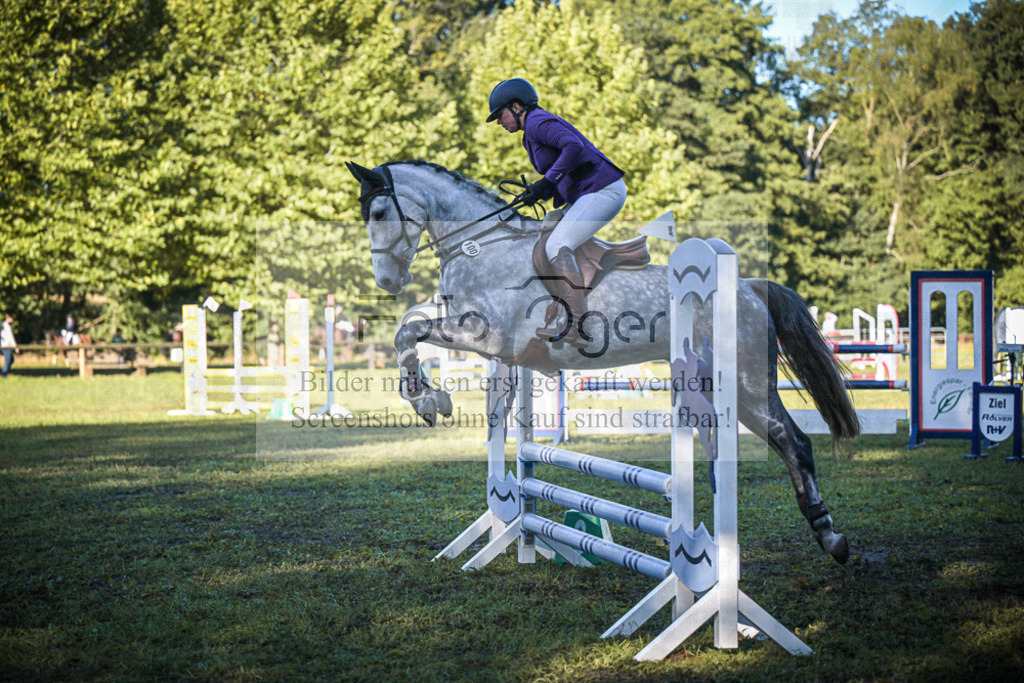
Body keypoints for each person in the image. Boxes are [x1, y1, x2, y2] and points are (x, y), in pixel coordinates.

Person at [486, 77, 626, 348]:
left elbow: (573, 147)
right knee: (545, 237)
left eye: (500, 115)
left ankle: (576, 326)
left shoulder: (537, 122)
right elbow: (564, 168)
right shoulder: (531, 130)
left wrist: (547, 182)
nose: (500, 123)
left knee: (558, 244)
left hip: (604, 190)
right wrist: (539, 192)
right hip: (589, 192)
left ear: (516, 107)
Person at [1, 314, 20, 378]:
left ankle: (6, 371)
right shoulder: (5, 327)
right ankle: (4, 374)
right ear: (9, 318)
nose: (13, 320)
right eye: (12, 319)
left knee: (11, 360)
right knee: (8, 360)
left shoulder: (4, 325)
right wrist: (15, 347)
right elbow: (10, 338)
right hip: (6, 346)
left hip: (6, 346)